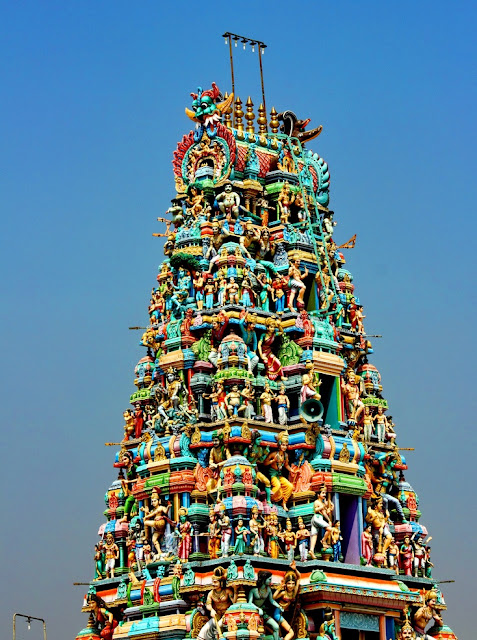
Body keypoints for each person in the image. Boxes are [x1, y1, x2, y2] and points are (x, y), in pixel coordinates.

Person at [249, 571, 291, 640]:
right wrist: (257, 609)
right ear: (264, 579)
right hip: (253, 614)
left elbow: (271, 600)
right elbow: (249, 603)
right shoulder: (254, 591)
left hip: (263, 613)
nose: (270, 581)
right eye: (269, 579)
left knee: (276, 627)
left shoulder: (268, 590)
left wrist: (279, 606)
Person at [263, 431, 294, 510]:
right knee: (278, 486)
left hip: (279, 475)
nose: (284, 447)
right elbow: (265, 463)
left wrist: (292, 470)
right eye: (283, 445)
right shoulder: (274, 454)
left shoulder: (285, 455)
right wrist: (273, 461)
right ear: (279, 444)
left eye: (286, 445)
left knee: (290, 486)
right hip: (273, 474)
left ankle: (284, 502)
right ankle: (268, 499)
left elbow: (286, 465)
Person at [141, 487, 171, 557]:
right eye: (152, 501)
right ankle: (159, 552)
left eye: (155, 501)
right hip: (157, 528)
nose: (153, 503)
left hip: (159, 523)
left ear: (159, 501)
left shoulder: (161, 507)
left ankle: (146, 536)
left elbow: (165, 512)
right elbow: (151, 514)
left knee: (145, 522)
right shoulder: (153, 510)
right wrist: (145, 511)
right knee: (154, 540)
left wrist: (168, 507)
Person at [309, 486, 333, 559]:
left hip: (317, 519)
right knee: (330, 529)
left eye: (325, 493)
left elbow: (324, 513)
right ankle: (323, 540)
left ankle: (311, 550)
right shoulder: (317, 502)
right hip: (317, 517)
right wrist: (323, 506)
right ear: (318, 495)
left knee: (314, 535)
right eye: (322, 493)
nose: (324, 495)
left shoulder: (322, 503)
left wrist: (329, 519)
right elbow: (316, 510)